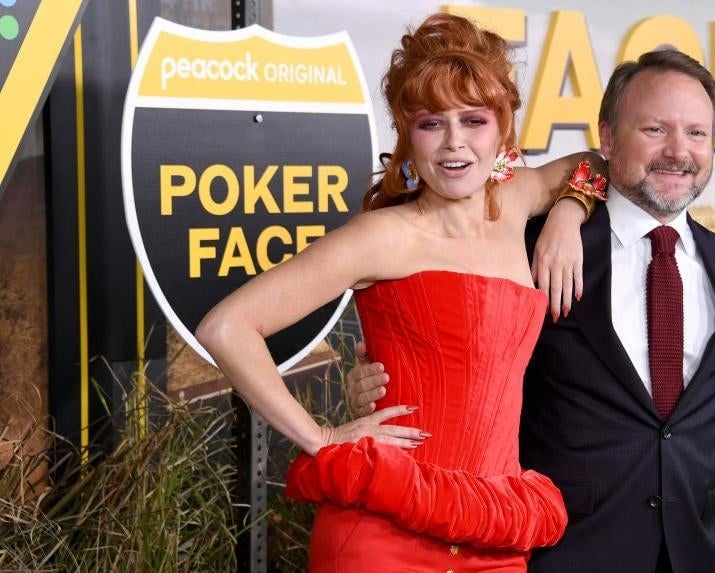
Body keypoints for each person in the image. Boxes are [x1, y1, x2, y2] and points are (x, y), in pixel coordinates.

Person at [196, 13, 607, 572]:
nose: (455, 144)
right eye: (432, 123)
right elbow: (226, 327)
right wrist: (323, 439)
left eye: (474, 120)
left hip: (492, 530)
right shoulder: (384, 236)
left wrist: (566, 212)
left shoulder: (516, 203)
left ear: (503, 131)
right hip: (384, 533)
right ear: (407, 134)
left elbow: (596, 161)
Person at [347, 49, 715, 572]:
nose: (678, 151)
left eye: (697, 133)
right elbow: (467, 373)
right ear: (608, 137)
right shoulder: (524, 246)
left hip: (704, 558)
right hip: (566, 553)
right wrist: (391, 380)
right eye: (655, 129)